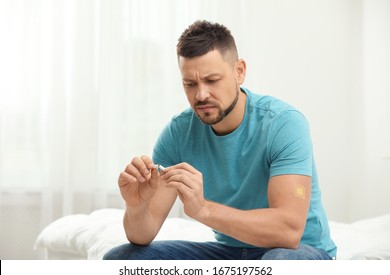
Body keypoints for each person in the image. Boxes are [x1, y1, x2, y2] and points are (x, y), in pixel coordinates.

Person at [103, 20, 337, 260]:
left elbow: (288, 232)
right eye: (190, 84)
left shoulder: (283, 124)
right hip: (231, 252)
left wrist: (203, 209)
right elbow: (143, 235)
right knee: (121, 259)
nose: (201, 94)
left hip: (298, 251)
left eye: (212, 80)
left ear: (240, 71)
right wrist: (136, 207)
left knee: (280, 263)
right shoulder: (177, 133)